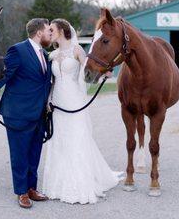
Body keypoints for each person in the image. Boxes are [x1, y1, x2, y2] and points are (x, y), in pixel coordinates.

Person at [42, 18, 123, 204]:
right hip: (58, 103)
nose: (49, 32)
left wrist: (104, 73)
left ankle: (80, 184)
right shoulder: (52, 55)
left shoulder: (77, 51)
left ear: (61, 30)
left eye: (52, 29)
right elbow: (51, 82)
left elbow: (89, 71)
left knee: (77, 138)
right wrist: (48, 100)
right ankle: (58, 184)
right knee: (59, 141)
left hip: (75, 102)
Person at [0, 18, 52, 209]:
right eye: (48, 30)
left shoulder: (45, 53)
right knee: (19, 154)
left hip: (39, 113)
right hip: (18, 112)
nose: (50, 33)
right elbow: (4, 74)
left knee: (34, 153)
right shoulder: (18, 50)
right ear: (38, 32)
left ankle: (32, 188)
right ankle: (21, 192)